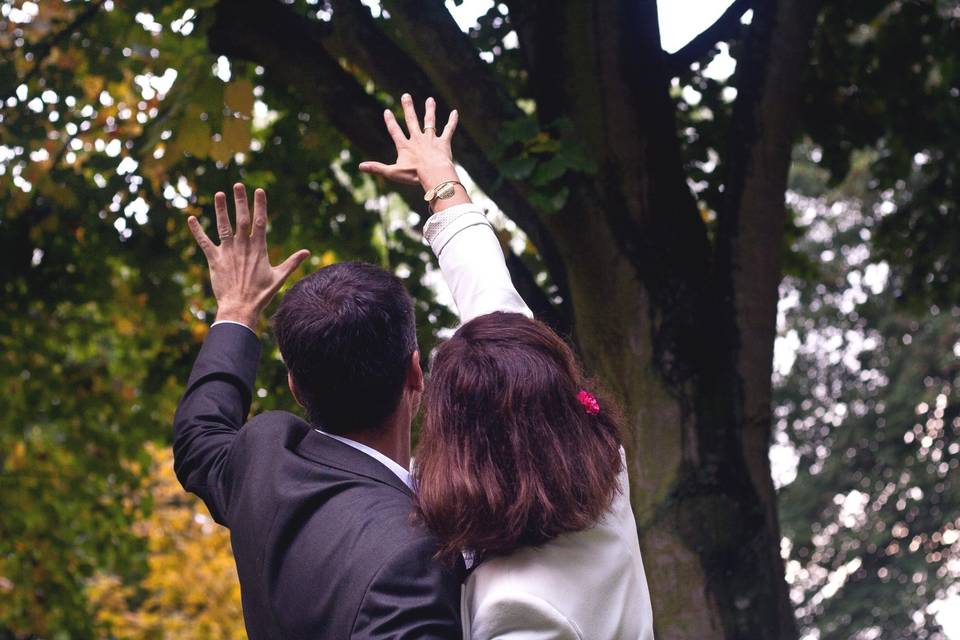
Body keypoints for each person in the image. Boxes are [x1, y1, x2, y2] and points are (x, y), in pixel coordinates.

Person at [361, 95, 655, 639]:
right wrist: (439, 176)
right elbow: (490, 295)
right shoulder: (599, 468)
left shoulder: (518, 610)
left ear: (458, 440)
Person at [173, 181, 466, 637]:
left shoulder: (263, 461)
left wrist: (236, 309)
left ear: (294, 386)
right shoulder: (410, 558)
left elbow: (197, 438)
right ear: (415, 373)